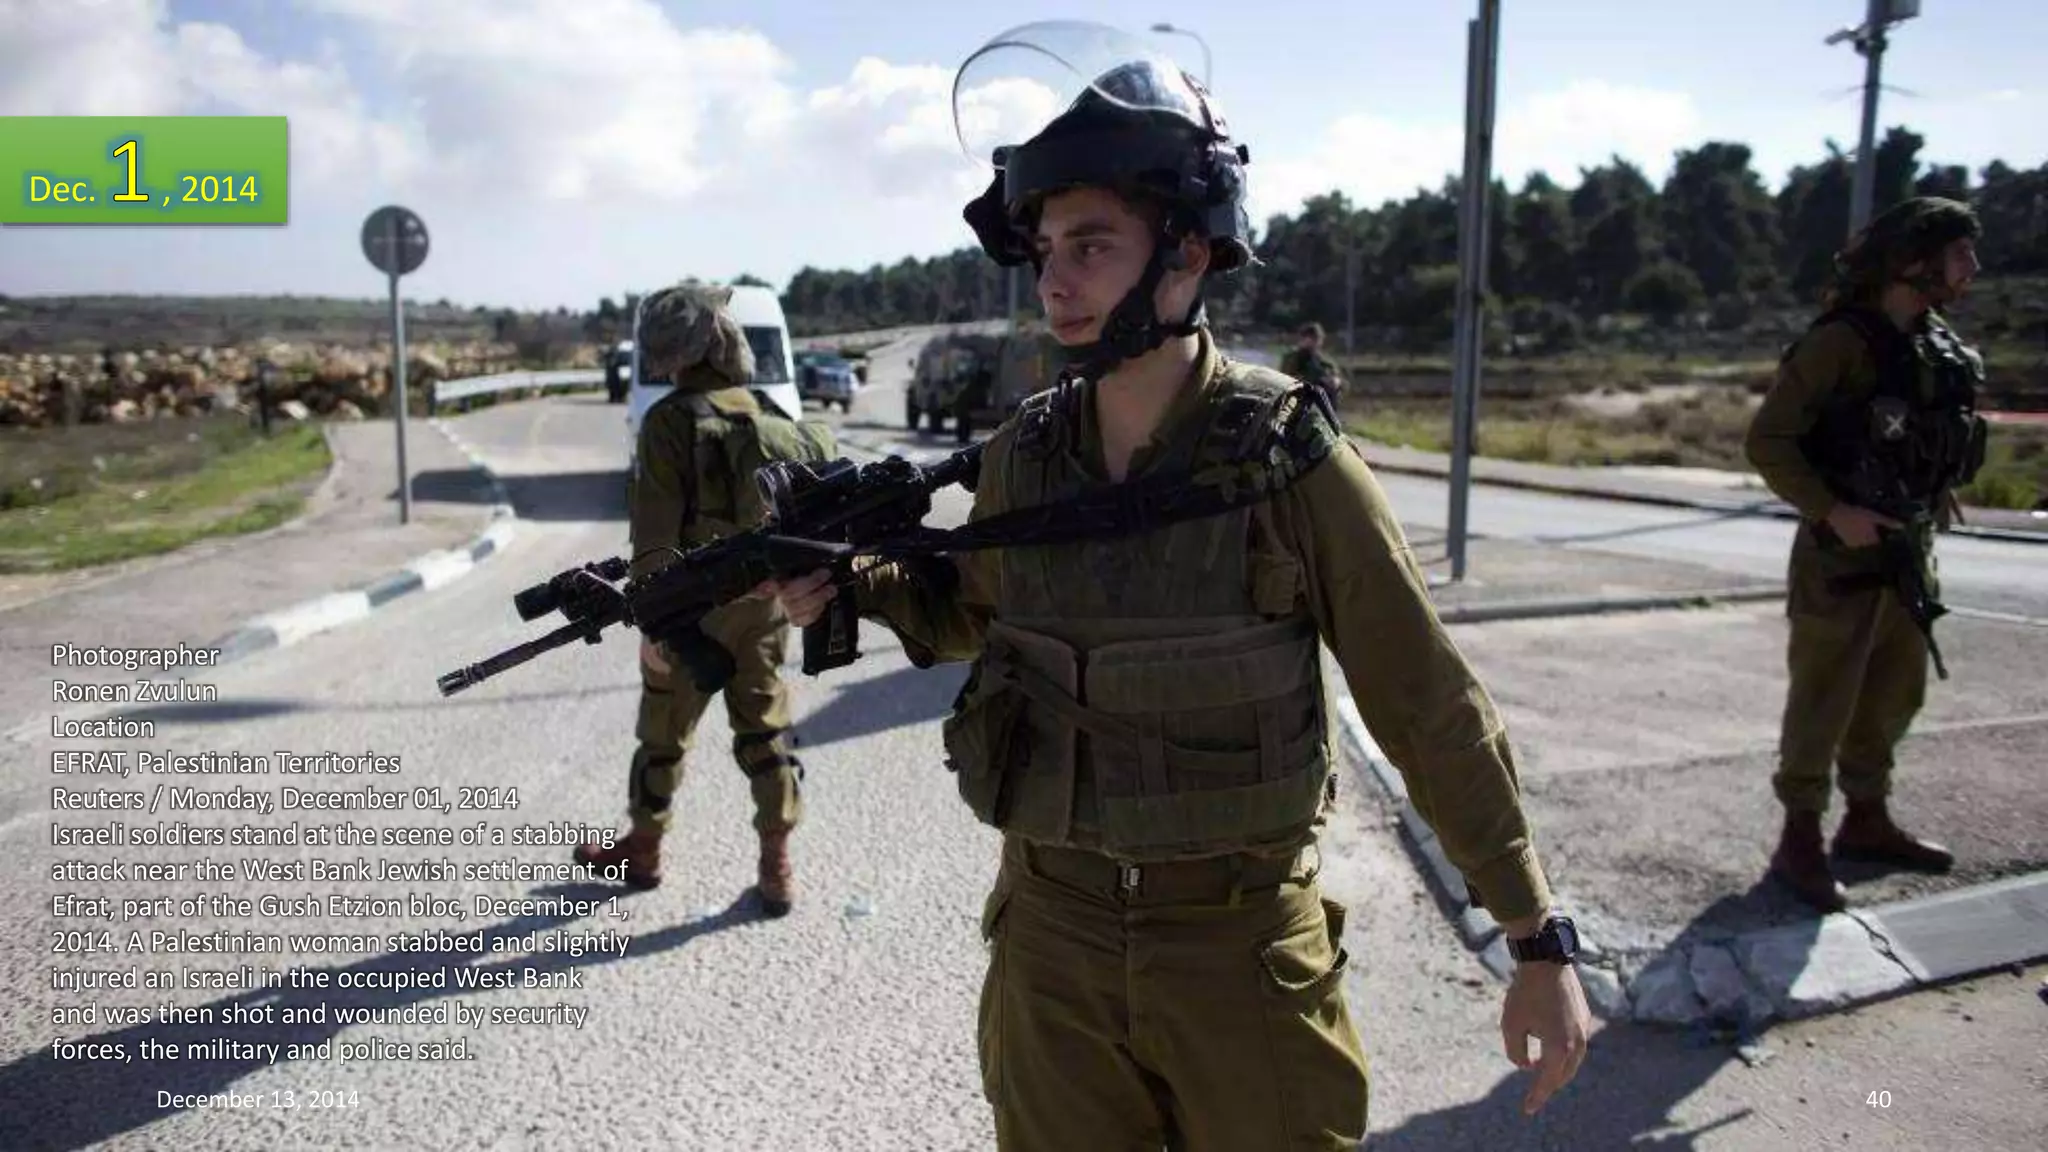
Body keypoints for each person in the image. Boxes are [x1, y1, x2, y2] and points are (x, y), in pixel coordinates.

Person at [761, 23, 1589, 1147]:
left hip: (1237, 951)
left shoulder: (1285, 459)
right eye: (1044, 249)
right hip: (1050, 941)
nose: (1054, 280)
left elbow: (1423, 699)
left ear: (1188, 253)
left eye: (1091, 245)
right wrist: (850, 584)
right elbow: (974, 614)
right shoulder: (1025, 455)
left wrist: (1533, 936)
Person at [1743, 196, 1988, 913]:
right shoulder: (1840, 343)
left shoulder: (1934, 344)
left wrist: (1934, 488)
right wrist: (1832, 510)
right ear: (1913, 262)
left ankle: (1867, 817)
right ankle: (1799, 840)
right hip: (1840, 559)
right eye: (1959, 253)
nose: (1973, 267)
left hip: (1908, 553)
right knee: (1824, 698)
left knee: (1893, 694)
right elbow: (1769, 441)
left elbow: (1923, 430)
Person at [576, 283, 835, 916]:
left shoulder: (669, 422)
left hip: (689, 612)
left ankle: (644, 849)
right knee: (766, 733)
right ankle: (777, 865)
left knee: (663, 733)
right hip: (764, 611)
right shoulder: (774, 417)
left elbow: (654, 537)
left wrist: (653, 623)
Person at [1279, 320, 1346, 404]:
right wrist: (1318, 380)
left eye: (1317, 338)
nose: (1314, 342)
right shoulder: (1292, 357)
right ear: (1303, 338)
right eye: (1311, 338)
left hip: (1324, 403)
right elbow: (1287, 379)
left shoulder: (1326, 361)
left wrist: (1337, 381)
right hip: (1299, 402)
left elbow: (1340, 380)